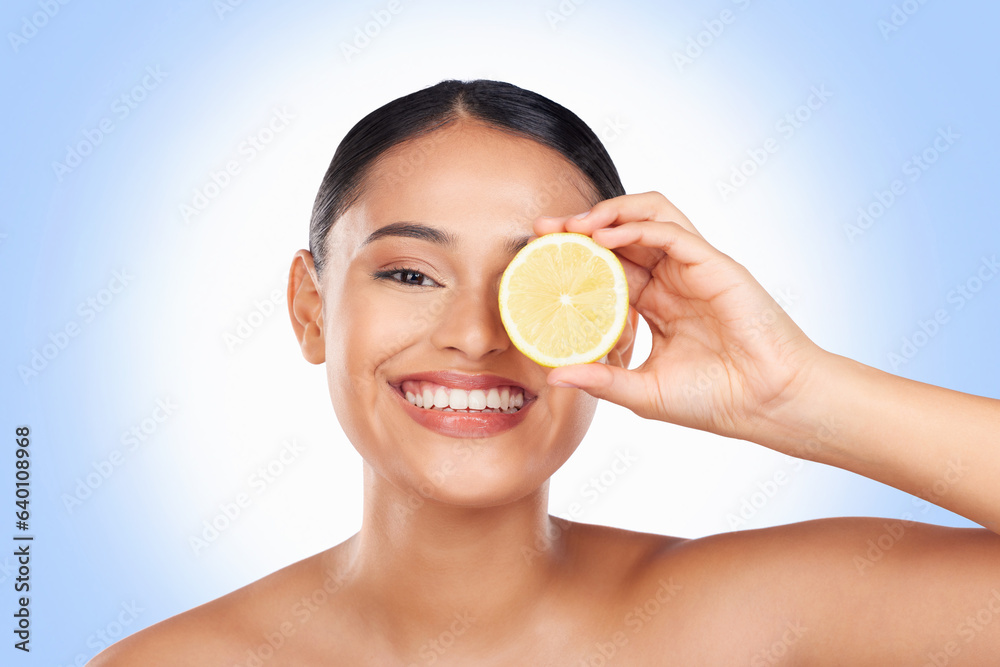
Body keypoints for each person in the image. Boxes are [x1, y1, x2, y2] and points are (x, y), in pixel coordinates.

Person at [91, 79, 1000, 665]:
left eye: (535, 282)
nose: (477, 336)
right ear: (310, 307)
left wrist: (793, 394)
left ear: (608, 322)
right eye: (410, 273)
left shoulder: (755, 623)